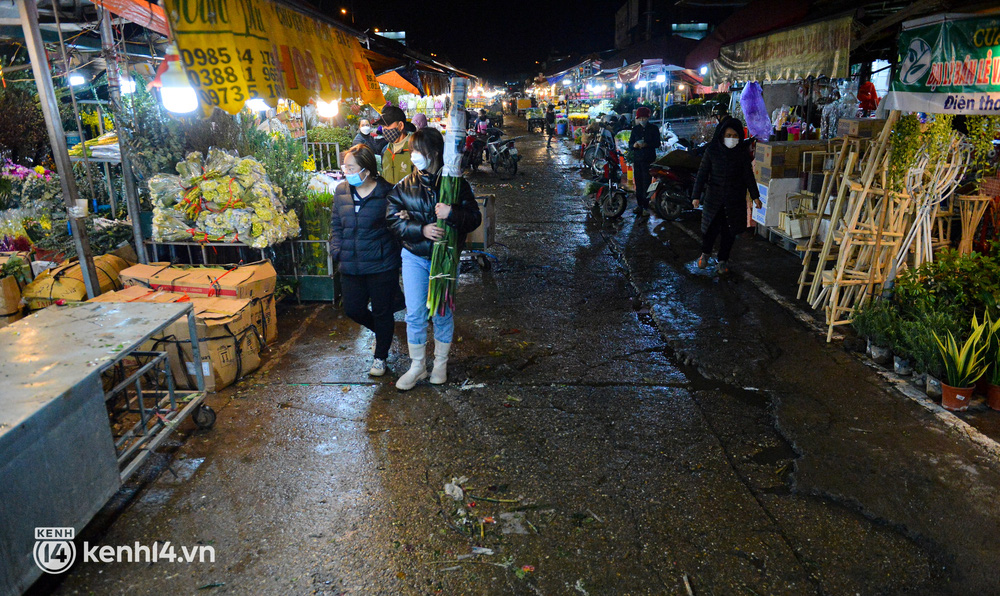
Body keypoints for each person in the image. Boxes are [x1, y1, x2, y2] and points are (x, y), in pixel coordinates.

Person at [386, 128, 482, 391]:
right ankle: (417, 365)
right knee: (415, 313)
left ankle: (440, 362)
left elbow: (474, 218)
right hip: (415, 256)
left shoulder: (456, 184)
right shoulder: (404, 187)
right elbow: (391, 220)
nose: (413, 156)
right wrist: (422, 230)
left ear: (435, 153)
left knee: (442, 311)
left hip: (446, 258)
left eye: (418, 151)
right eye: (412, 151)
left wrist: (451, 213)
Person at [330, 144, 401, 377]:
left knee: (382, 311)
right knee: (353, 309)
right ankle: (382, 334)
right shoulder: (341, 191)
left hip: (381, 264)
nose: (346, 172)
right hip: (351, 263)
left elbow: (395, 229)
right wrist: (337, 249)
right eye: (345, 167)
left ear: (367, 170)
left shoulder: (388, 193)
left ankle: (380, 357)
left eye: (351, 167)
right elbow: (336, 225)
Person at [691, 118, 762, 275]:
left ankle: (723, 260)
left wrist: (756, 196)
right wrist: (696, 196)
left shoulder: (741, 155)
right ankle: (705, 253)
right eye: (729, 135)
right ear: (722, 135)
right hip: (714, 199)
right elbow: (702, 174)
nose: (732, 138)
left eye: (735, 135)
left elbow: (748, 176)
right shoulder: (712, 151)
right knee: (710, 230)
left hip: (734, 200)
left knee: (729, 232)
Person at [629, 106, 661, 216]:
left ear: (648, 117)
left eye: (644, 117)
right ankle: (639, 205)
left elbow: (657, 143)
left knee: (646, 183)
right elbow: (630, 144)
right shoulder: (635, 129)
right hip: (637, 159)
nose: (642, 120)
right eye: (640, 118)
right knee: (638, 183)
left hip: (648, 160)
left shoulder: (654, 129)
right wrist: (634, 145)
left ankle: (645, 207)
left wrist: (647, 144)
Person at [375, 105, 414, 184]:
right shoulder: (385, 151)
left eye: (387, 125)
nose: (384, 129)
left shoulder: (415, 149)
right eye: (382, 126)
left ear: (400, 126)